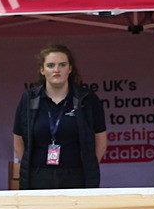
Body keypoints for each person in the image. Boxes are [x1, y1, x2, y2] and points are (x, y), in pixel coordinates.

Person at [12, 44, 107, 190]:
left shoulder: (87, 99)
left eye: (62, 65)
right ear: (42, 70)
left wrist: (89, 167)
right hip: (38, 177)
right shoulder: (29, 99)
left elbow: (100, 141)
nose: (56, 70)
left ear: (70, 69)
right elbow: (18, 141)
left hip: (77, 177)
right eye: (50, 65)